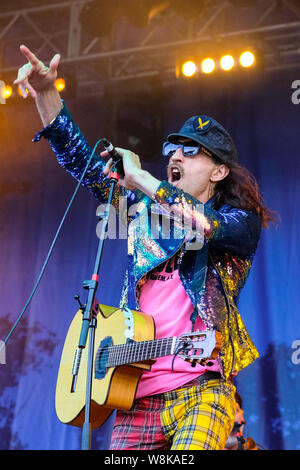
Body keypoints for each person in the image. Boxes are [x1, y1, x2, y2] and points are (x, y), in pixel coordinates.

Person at [15, 45, 276, 450]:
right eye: (173, 149)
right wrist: (48, 95)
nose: (176, 155)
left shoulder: (240, 225)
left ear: (219, 171)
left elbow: (204, 226)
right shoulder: (143, 215)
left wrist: (140, 179)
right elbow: (80, 161)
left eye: (192, 151)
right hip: (134, 394)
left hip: (200, 388)